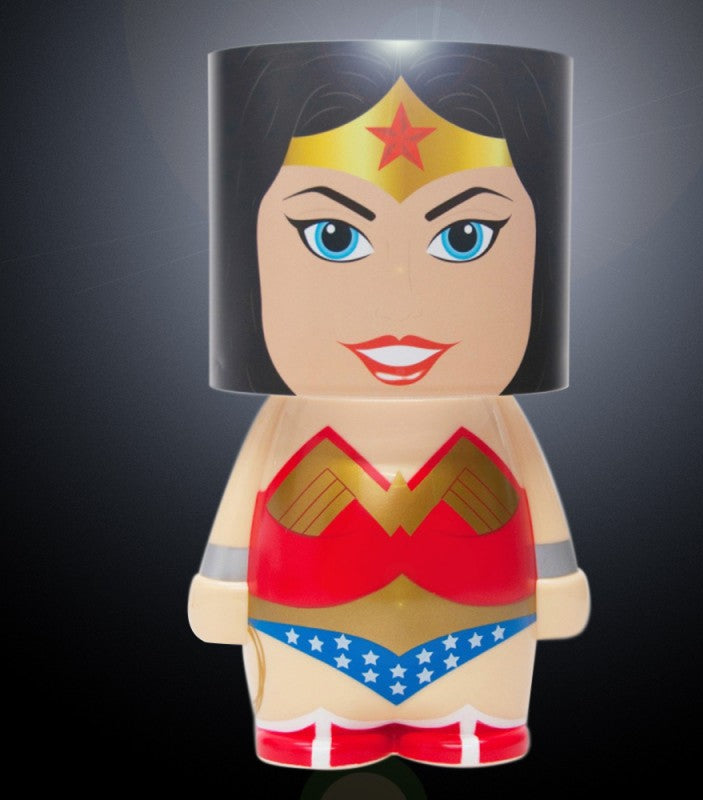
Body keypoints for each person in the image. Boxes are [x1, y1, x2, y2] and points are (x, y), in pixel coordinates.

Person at [189, 40, 589, 769]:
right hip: (306, 638)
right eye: (334, 236)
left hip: (484, 636)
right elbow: (244, 496)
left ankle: (472, 720)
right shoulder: (285, 418)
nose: (400, 301)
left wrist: (557, 578)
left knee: (477, 708)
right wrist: (223, 581)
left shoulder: (497, 414)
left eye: (464, 237)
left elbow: (538, 495)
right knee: (314, 715)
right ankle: (315, 723)